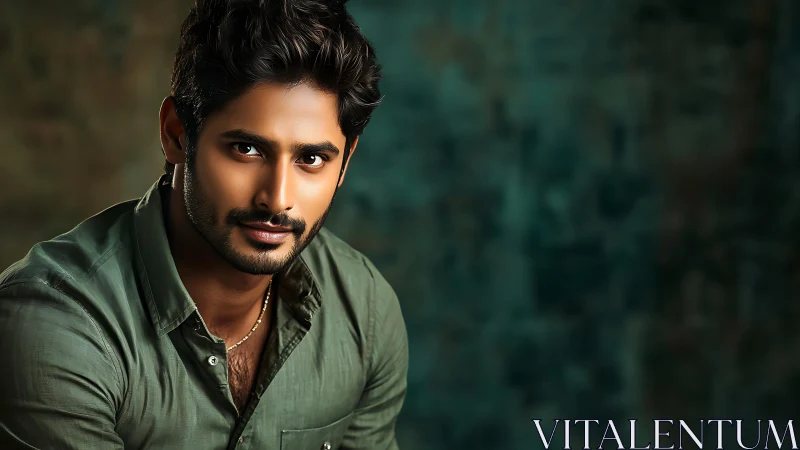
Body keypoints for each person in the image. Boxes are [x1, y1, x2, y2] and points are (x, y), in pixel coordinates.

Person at [0, 0, 408, 448]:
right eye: (246, 150)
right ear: (177, 134)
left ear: (344, 163)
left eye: (311, 158)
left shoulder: (364, 310)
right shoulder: (53, 329)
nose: (277, 198)